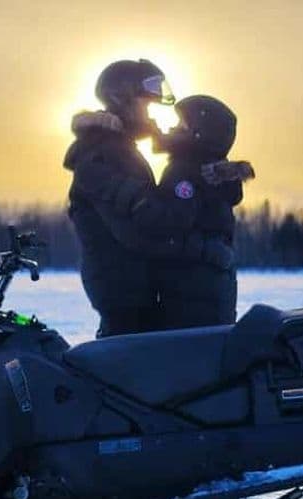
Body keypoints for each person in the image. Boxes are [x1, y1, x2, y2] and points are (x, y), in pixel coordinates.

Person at [64, 60, 232, 337]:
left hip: (136, 295)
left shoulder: (120, 149)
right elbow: (138, 232)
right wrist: (205, 249)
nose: (152, 118)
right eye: (147, 106)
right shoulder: (101, 156)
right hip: (123, 297)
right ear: (123, 100)